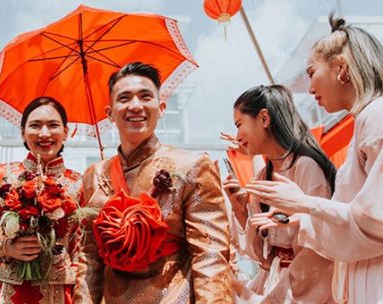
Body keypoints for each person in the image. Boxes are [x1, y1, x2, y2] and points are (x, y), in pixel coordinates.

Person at [246, 15, 383, 304]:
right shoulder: (367, 120)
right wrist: (297, 218)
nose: (309, 90)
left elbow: (375, 222)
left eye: (311, 73)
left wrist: (304, 204)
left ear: (341, 68)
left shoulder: (375, 116)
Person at [78, 62, 232, 304]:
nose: (136, 105)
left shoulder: (192, 166)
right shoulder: (93, 175)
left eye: (145, 96)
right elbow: (90, 257)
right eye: (125, 98)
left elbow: (210, 253)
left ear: (161, 108)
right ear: (109, 113)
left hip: (172, 295)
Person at [0, 97, 86, 303]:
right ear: (23, 132)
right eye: (35, 125)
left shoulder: (78, 183)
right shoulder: (2, 175)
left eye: (53, 125)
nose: (45, 133)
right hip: (0, 290)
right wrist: (5, 248)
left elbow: (81, 250)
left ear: (66, 132)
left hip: (59, 291)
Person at [222, 85, 336, 303]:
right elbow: (263, 257)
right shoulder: (264, 173)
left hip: (303, 287)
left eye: (239, 124)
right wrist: (240, 211)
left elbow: (318, 247)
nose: (237, 135)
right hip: (274, 282)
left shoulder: (305, 167)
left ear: (264, 118)